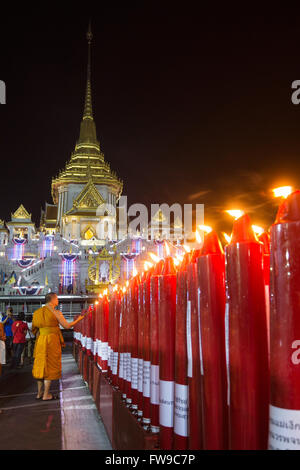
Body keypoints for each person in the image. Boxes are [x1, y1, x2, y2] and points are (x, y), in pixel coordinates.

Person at [32, 292, 85, 401]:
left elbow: (35, 330)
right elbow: (66, 326)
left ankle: (39, 393)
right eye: (57, 299)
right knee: (49, 366)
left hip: (41, 340)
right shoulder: (55, 312)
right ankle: (46, 395)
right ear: (52, 299)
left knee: (40, 365)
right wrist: (79, 319)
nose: (58, 301)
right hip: (51, 341)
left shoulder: (37, 312)